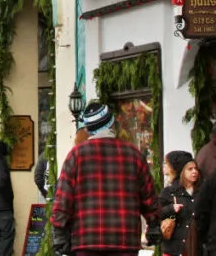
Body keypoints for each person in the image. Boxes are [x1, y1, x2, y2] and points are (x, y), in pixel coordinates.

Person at [51, 102, 161, 256]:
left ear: (88, 129)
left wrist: (59, 231)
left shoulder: (77, 155)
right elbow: (149, 196)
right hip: (125, 238)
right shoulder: (133, 154)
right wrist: (154, 223)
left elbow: (63, 198)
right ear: (111, 123)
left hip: (86, 239)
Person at [159, 152, 200, 256]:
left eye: (196, 168)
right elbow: (156, 212)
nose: (194, 171)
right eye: (190, 169)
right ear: (182, 171)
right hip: (174, 248)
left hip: (196, 246)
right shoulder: (170, 192)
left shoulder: (202, 191)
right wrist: (171, 209)